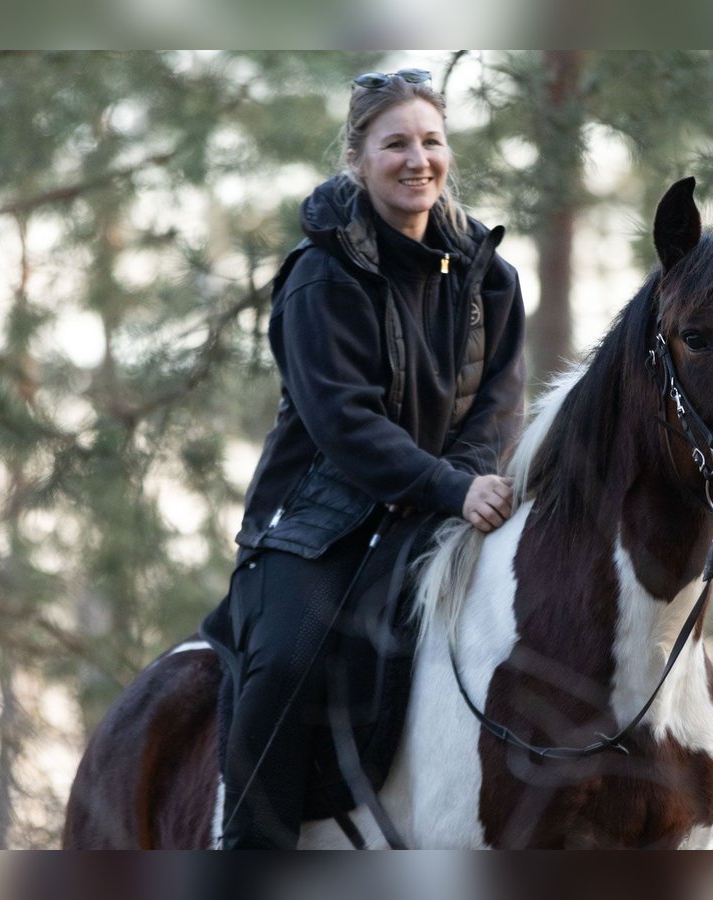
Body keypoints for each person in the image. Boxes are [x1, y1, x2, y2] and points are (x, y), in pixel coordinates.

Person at [200, 68, 526, 849]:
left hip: (443, 507)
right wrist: (451, 487)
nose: (418, 159)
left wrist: (470, 481)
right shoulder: (320, 277)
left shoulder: (492, 279)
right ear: (358, 159)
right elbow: (345, 424)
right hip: (319, 522)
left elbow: (497, 404)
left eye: (431, 141)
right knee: (281, 669)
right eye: (395, 144)